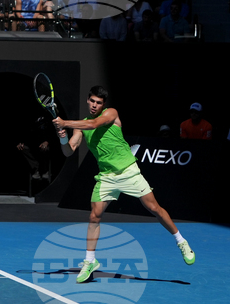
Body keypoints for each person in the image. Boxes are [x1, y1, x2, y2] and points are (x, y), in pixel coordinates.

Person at [53, 86, 195, 283]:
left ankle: (181, 241)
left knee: (154, 208)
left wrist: (64, 122)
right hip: (106, 177)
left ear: (104, 104)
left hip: (128, 171)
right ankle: (90, 261)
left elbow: (95, 124)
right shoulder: (80, 126)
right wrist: (63, 138)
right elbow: (69, 151)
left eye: (99, 102)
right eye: (92, 101)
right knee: (94, 216)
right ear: (87, 100)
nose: (95, 105)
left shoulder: (111, 114)